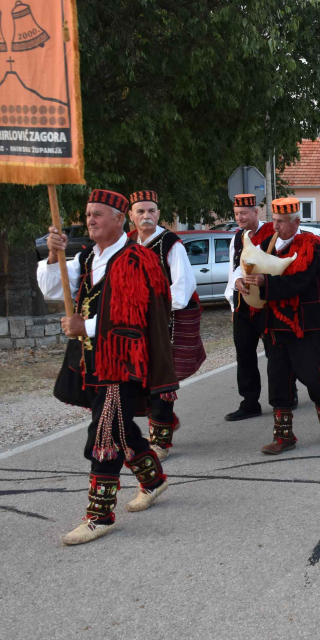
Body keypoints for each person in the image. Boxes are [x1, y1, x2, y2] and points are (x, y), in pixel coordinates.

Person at [37, 190, 175, 545]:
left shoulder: (136, 260)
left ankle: (100, 516)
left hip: (122, 363)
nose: (91, 220)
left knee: (104, 435)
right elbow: (51, 289)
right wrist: (52, 254)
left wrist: (85, 325)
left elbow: (134, 318)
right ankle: (153, 480)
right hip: (91, 361)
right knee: (119, 427)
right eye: (88, 214)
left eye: (98, 214)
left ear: (119, 219)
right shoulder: (87, 258)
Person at [240, 198, 320, 455]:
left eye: (282, 222)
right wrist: (243, 283)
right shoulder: (266, 244)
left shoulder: (310, 246)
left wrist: (266, 282)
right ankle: (283, 436)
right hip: (274, 324)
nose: (276, 226)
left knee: (310, 375)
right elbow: (250, 270)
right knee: (278, 378)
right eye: (274, 220)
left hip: (304, 324)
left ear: (297, 222)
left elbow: (300, 282)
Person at [128, 191, 202, 460]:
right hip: (134, 323)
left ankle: (160, 441)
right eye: (140, 211)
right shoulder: (127, 243)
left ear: (159, 214)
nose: (146, 216)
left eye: (151, 211)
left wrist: (155, 310)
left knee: (160, 380)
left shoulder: (170, 244)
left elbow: (183, 286)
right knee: (138, 378)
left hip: (164, 322)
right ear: (131, 215)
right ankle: (167, 421)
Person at [223, 194, 269, 422]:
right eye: (236, 214)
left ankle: (287, 394)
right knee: (244, 353)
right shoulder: (237, 237)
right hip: (242, 304)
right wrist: (233, 304)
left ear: (255, 212)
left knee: (275, 352)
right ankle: (250, 403)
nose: (239, 218)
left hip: (267, 303)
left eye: (243, 213)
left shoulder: (270, 233)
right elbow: (233, 270)